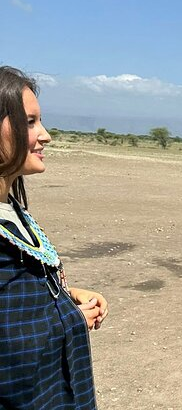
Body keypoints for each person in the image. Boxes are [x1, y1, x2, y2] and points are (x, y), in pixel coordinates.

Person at [0, 66, 108, 409]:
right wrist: (72, 318)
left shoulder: (13, 210)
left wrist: (66, 296)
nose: (45, 136)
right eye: (29, 122)